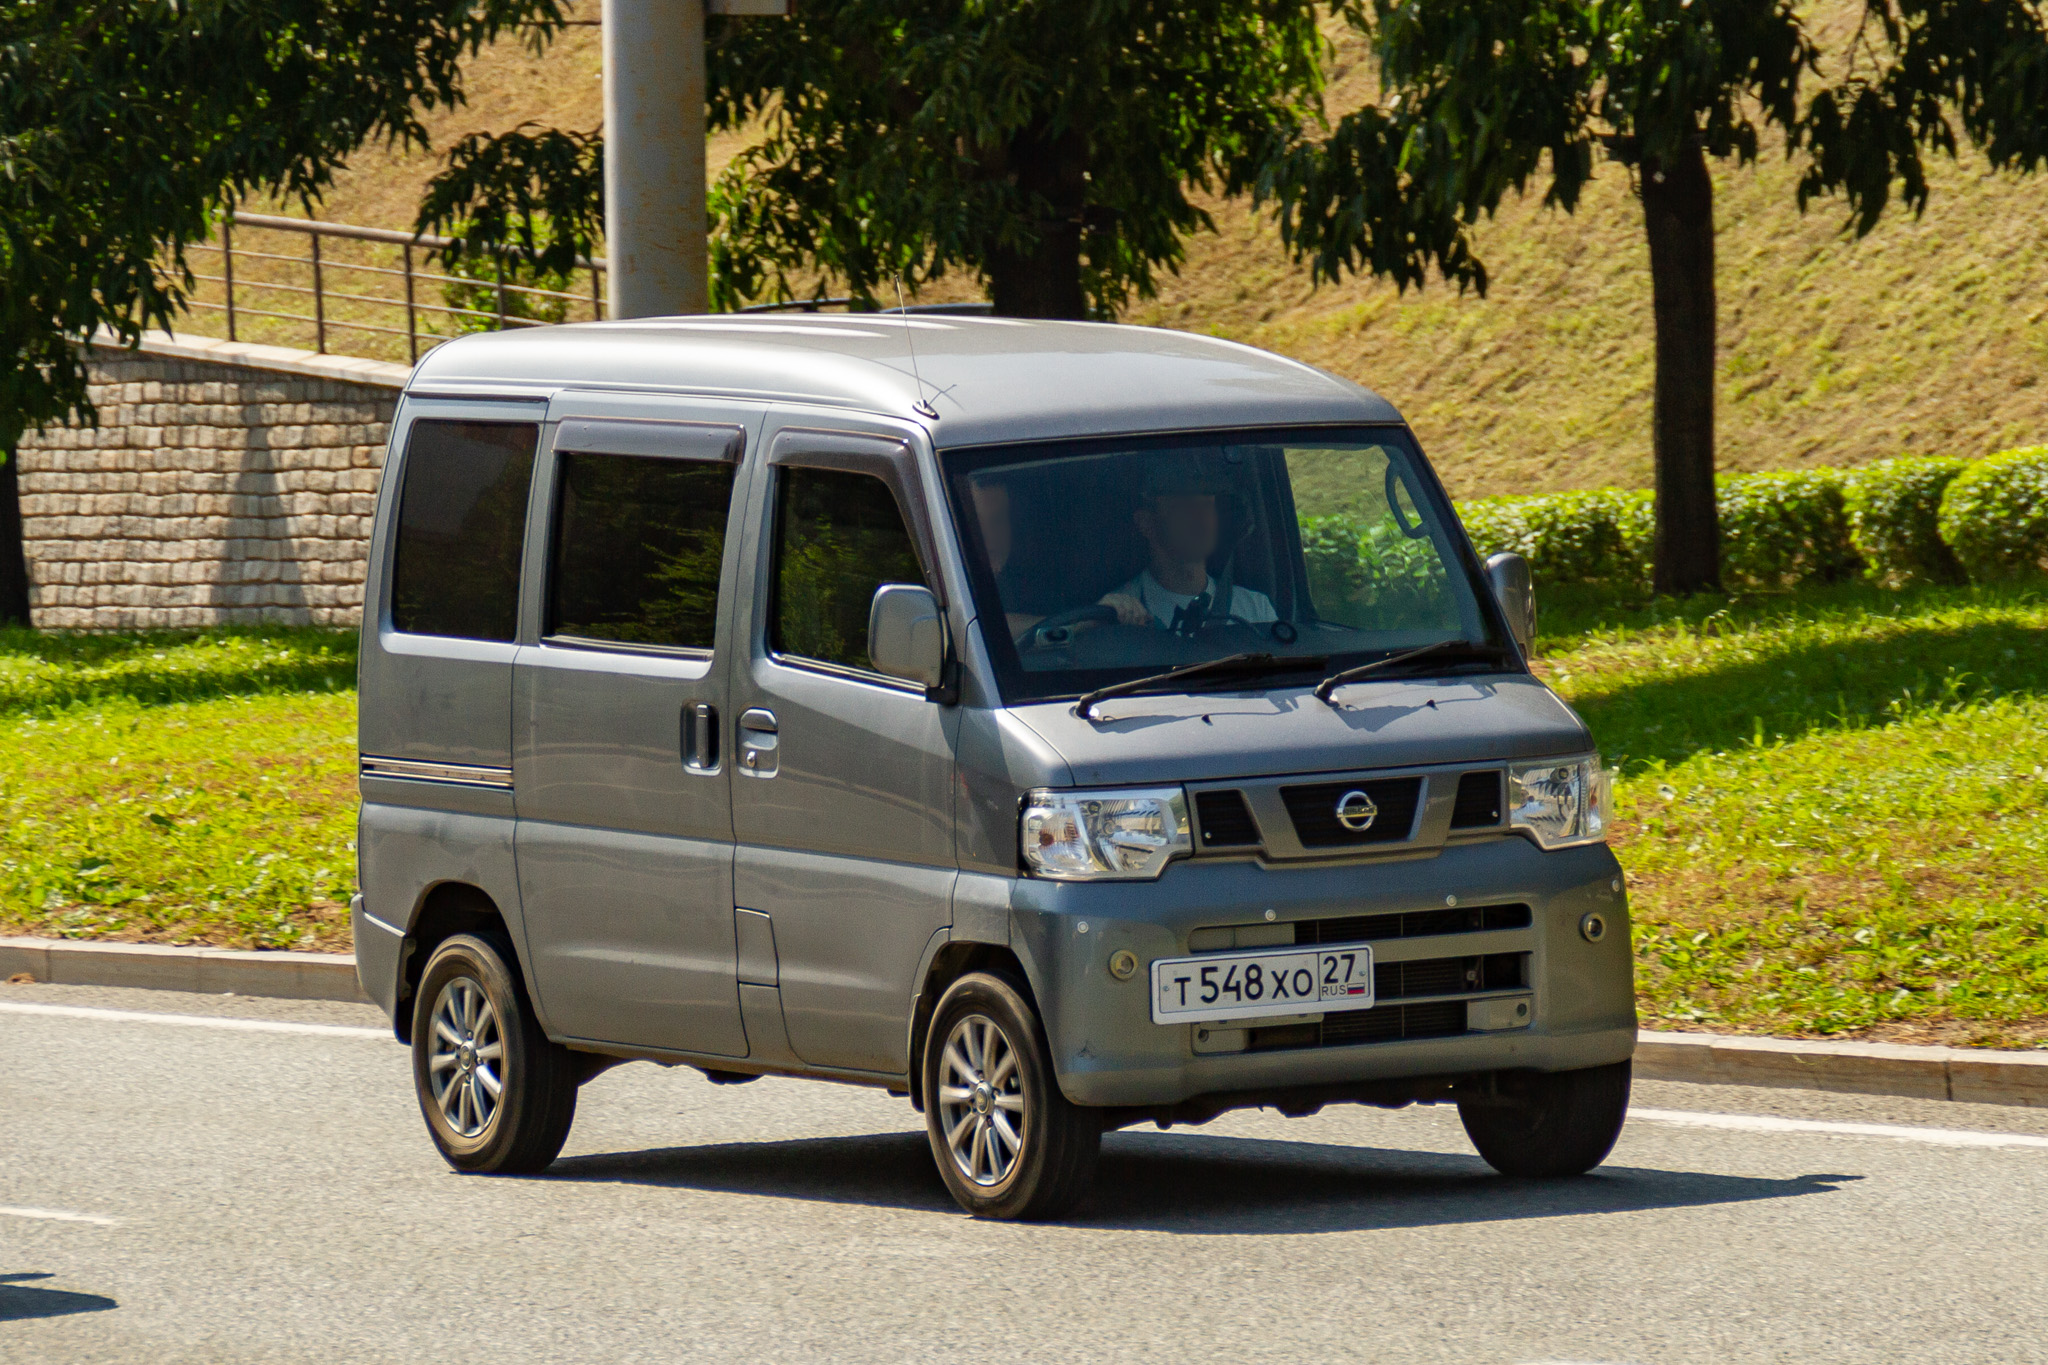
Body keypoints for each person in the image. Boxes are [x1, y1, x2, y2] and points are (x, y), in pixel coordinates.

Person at [1099, 465, 1276, 630]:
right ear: (1146, 523)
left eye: (1206, 505)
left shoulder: (1256, 610)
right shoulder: (1117, 613)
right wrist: (1090, 623)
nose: (1201, 519)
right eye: (1184, 507)